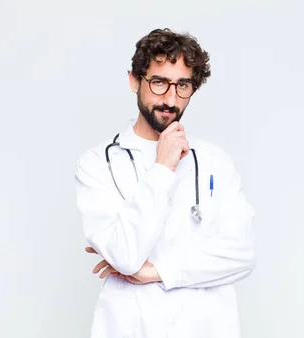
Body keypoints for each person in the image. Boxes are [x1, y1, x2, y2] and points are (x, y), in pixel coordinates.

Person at [74, 28, 256, 338]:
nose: (170, 99)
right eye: (159, 82)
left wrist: (153, 272)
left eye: (182, 85)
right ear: (135, 80)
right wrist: (163, 166)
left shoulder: (215, 162)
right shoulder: (98, 163)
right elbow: (126, 256)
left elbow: (242, 254)